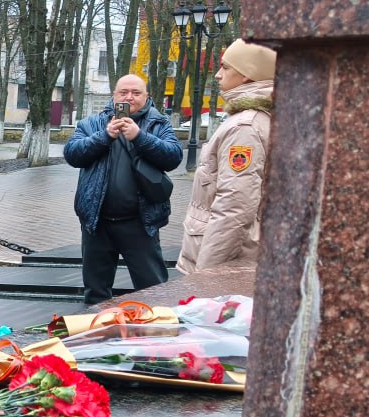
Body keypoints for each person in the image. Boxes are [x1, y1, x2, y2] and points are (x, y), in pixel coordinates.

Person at [64, 74, 183, 304]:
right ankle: (99, 337)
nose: (129, 97)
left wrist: (140, 137)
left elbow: (173, 156)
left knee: (153, 290)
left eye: (136, 93)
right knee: (96, 295)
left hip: (140, 222)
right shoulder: (93, 123)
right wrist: (105, 137)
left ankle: (154, 336)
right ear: (114, 96)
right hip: (97, 223)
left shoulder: (158, 123)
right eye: (123, 93)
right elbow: (72, 153)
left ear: (146, 96)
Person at [176, 39, 276, 273]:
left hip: (224, 263)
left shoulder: (244, 127)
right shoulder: (255, 119)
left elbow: (234, 207)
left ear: (247, 75)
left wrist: (206, 275)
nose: (219, 75)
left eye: (226, 67)